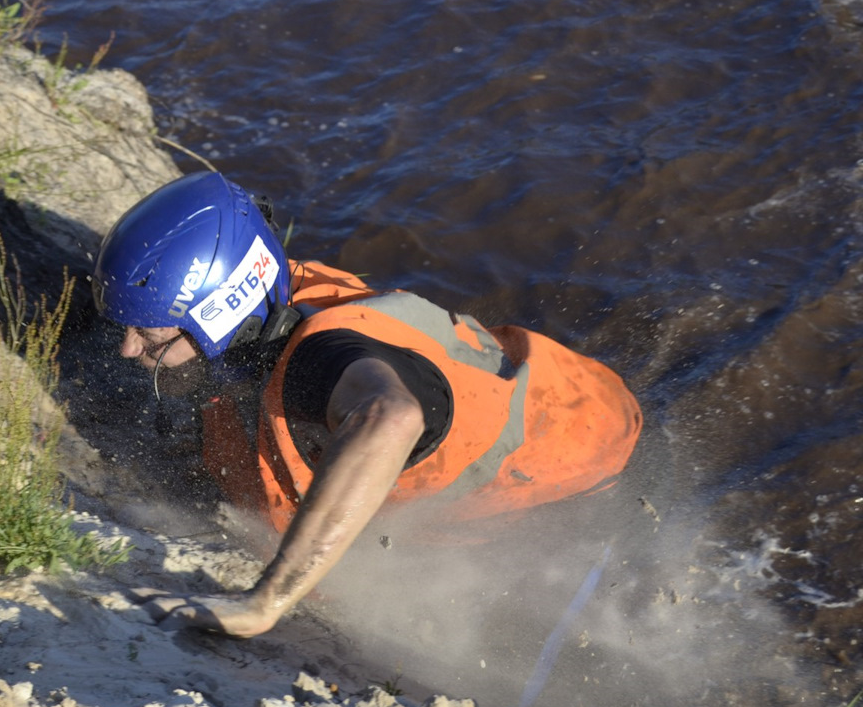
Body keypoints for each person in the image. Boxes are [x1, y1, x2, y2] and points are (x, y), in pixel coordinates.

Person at [93, 172, 641, 638]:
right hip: (548, 392)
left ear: (219, 310)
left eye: (148, 333)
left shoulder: (316, 363)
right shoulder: (264, 307)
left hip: (582, 469)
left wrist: (266, 602)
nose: (128, 349)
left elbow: (390, 418)